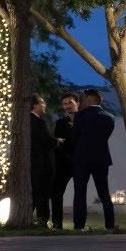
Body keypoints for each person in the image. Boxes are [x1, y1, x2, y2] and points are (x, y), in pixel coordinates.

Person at [72, 88, 116, 230]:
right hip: (101, 158)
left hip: (82, 159)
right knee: (104, 192)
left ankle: (79, 225)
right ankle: (110, 224)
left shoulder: (80, 116)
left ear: (89, 99)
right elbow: (106, 136)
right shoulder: (109, 117)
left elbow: (75, 137)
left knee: (80, 192)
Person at [50, 91, 78, 229]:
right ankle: (57, 224)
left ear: (77, 103)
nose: (67, 106)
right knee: (56, 194)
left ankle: (79, 225)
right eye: (65, 104)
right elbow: (58, 144)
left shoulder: (84, 120)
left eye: (70, 103)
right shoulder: (60, 123)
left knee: (80, 194)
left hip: (80, 163)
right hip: (63, 164)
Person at [29, 94, 54, 224]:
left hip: (33, 164)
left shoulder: (26, 121)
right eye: (42, 103)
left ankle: (31, 219)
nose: (44, 105)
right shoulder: (38, 122)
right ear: (34, 105)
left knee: (35, 193)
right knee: (42, 193)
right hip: (41, 163)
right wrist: (57, 141)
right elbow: (45, 141)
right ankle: (42, 220)